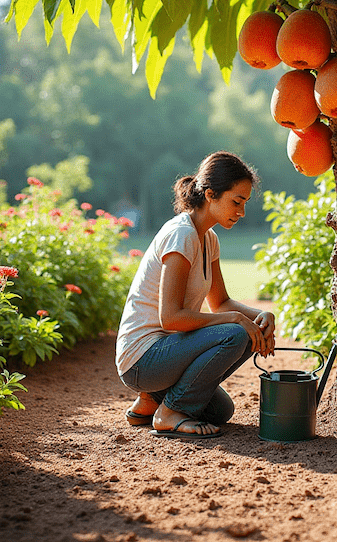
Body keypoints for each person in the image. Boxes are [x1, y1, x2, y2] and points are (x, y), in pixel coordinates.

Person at [115, 151, 275, 439]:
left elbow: (220, 303)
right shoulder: (182, 235)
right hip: (142, 359)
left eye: (245, 204)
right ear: (211, 194)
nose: (241, 212)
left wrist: (260, 316)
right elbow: (171, 318)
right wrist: (239, 320)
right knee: (236, 333)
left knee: (220, 411)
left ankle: (152, 401)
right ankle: (169, 413)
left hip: (166, 354)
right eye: (236, 202)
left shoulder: (208, 239)